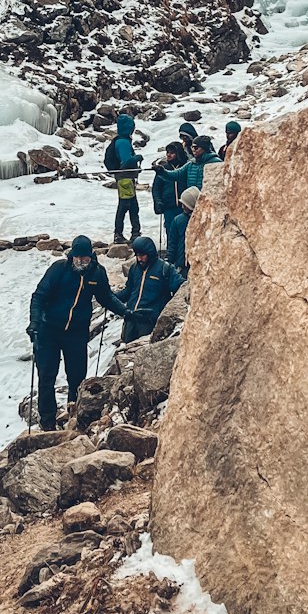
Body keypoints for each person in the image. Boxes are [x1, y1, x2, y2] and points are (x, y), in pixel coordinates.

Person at [28, 235, 132, 430]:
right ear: (72, 256)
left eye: (85, 259)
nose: (81, 263)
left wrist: (126, 313)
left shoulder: (97, 273)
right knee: (46, 377)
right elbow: (39, 297)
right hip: (48, 330)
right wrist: (34, 323)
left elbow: (106, 298)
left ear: (91, 257)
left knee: (77, 378)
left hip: (76, 333)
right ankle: (47, 422)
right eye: (77, 258)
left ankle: (74, 417)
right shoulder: (59, 270)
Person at [116, 236, 184, 343]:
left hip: (149, 321)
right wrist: (110, 297)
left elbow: (181, 289)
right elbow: (128, 292)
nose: (139, 259)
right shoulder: (134, 268)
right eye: (137, 255)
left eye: (142, 255)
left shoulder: (165, 269)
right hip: (131, 319)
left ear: (150, 253)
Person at [152, 140, 188, 248]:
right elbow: (156, 188)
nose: (168, 155)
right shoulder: (163, 169)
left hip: (184, 208)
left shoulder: (186, 167)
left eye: (172, 152)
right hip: (169, 208)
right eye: (167, 152)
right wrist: (158, 201)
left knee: (184, 235)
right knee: (171, 234)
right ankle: (171, 258)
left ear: (179, 154)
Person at [112, 112, 142, 244]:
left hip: (123, 177)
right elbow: (126, 161)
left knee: (126, 206)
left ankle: (122, 233)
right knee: (129, 206)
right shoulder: (123, 142)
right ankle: (129, 233)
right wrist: (137, 158)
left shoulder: (120, 141)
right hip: (125, 178)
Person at [168, 185, 199, 274]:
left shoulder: (178, 220)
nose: (182, 207)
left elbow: (172, 244)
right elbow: (172, 244)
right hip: (182, 264)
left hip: (192, 263)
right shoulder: (178, 221)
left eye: (184, 204)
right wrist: (169, 262)